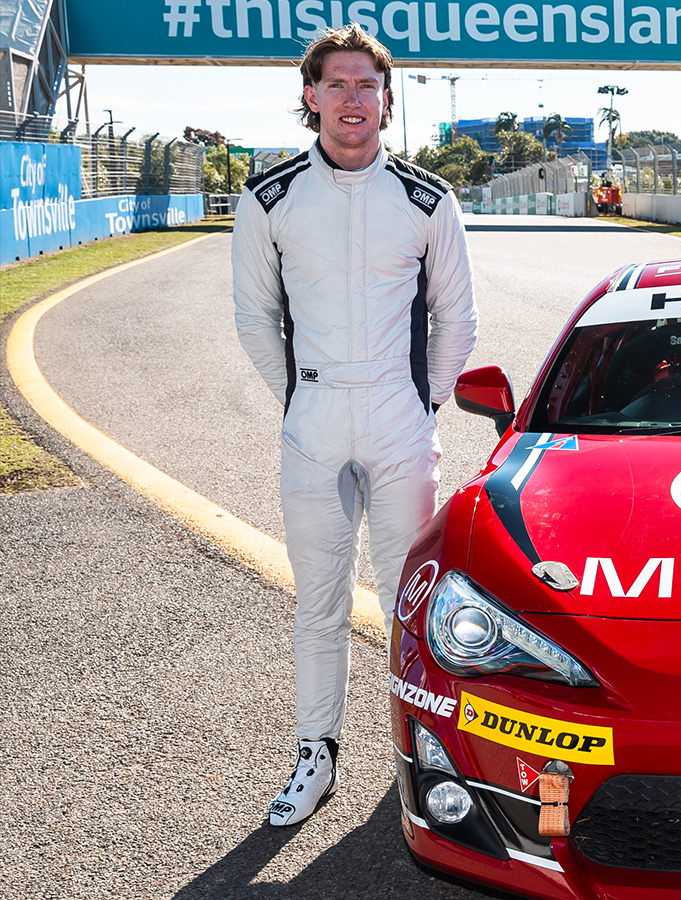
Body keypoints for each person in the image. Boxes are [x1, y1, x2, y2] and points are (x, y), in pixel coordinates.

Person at [233, 25, 477, 827]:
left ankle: (423, 754)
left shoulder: (426, 197)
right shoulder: (268, 197)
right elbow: (253, 317)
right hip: (314, 415)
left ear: (385, 100)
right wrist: (298, 399)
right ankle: (315, 754)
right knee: (320, 600)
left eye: (365, 85)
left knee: (413, 600)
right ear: (310, 97)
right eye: (336, 84)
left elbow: (456, 319)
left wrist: (425, 403)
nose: (351, 98)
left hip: (398, 418)